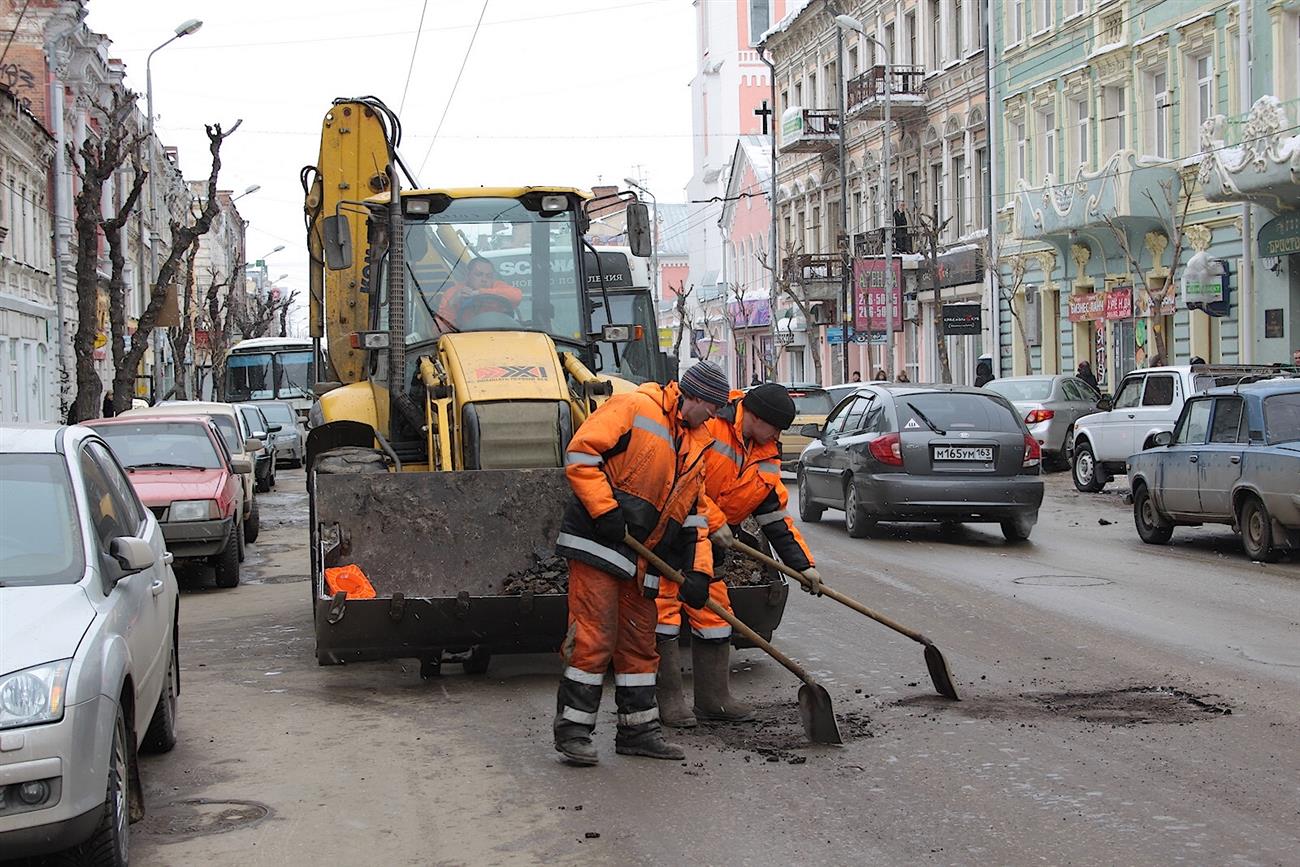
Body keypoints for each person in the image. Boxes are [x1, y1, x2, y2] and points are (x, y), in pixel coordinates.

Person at [552, 360, 732, 766]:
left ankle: (638, 731)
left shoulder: (696, 441)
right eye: (714, 407)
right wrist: (605, 511)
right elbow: (581, 454)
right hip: (599, 543)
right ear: (695, 396)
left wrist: (698, 573)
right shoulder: (635, 406)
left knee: (639, 645)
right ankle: (574, 732)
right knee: (593, 639)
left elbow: (693, 516)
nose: (716, 416)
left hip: (643, 558)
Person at [655, 383, 822, 728]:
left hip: (710, 546)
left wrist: (803, 567)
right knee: (662, 617)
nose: (777, 437)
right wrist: (714, 519)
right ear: (755, 417)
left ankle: (713, 699)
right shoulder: (709, 423)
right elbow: (680, 478)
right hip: (669, 535)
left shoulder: (767, 454)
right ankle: (668, 702)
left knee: (717, 621)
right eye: (774, 428)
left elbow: (774, 517)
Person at [437, 257, 523, 329]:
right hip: (467, 338)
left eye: (488, 276)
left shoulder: (498, 286)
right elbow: (439, 329)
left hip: (500, 335)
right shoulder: (453, 293)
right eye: (478, 274)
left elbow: (517, 296)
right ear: (468, 275)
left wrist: (478, 292)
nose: (484, 279)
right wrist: (452, 304)